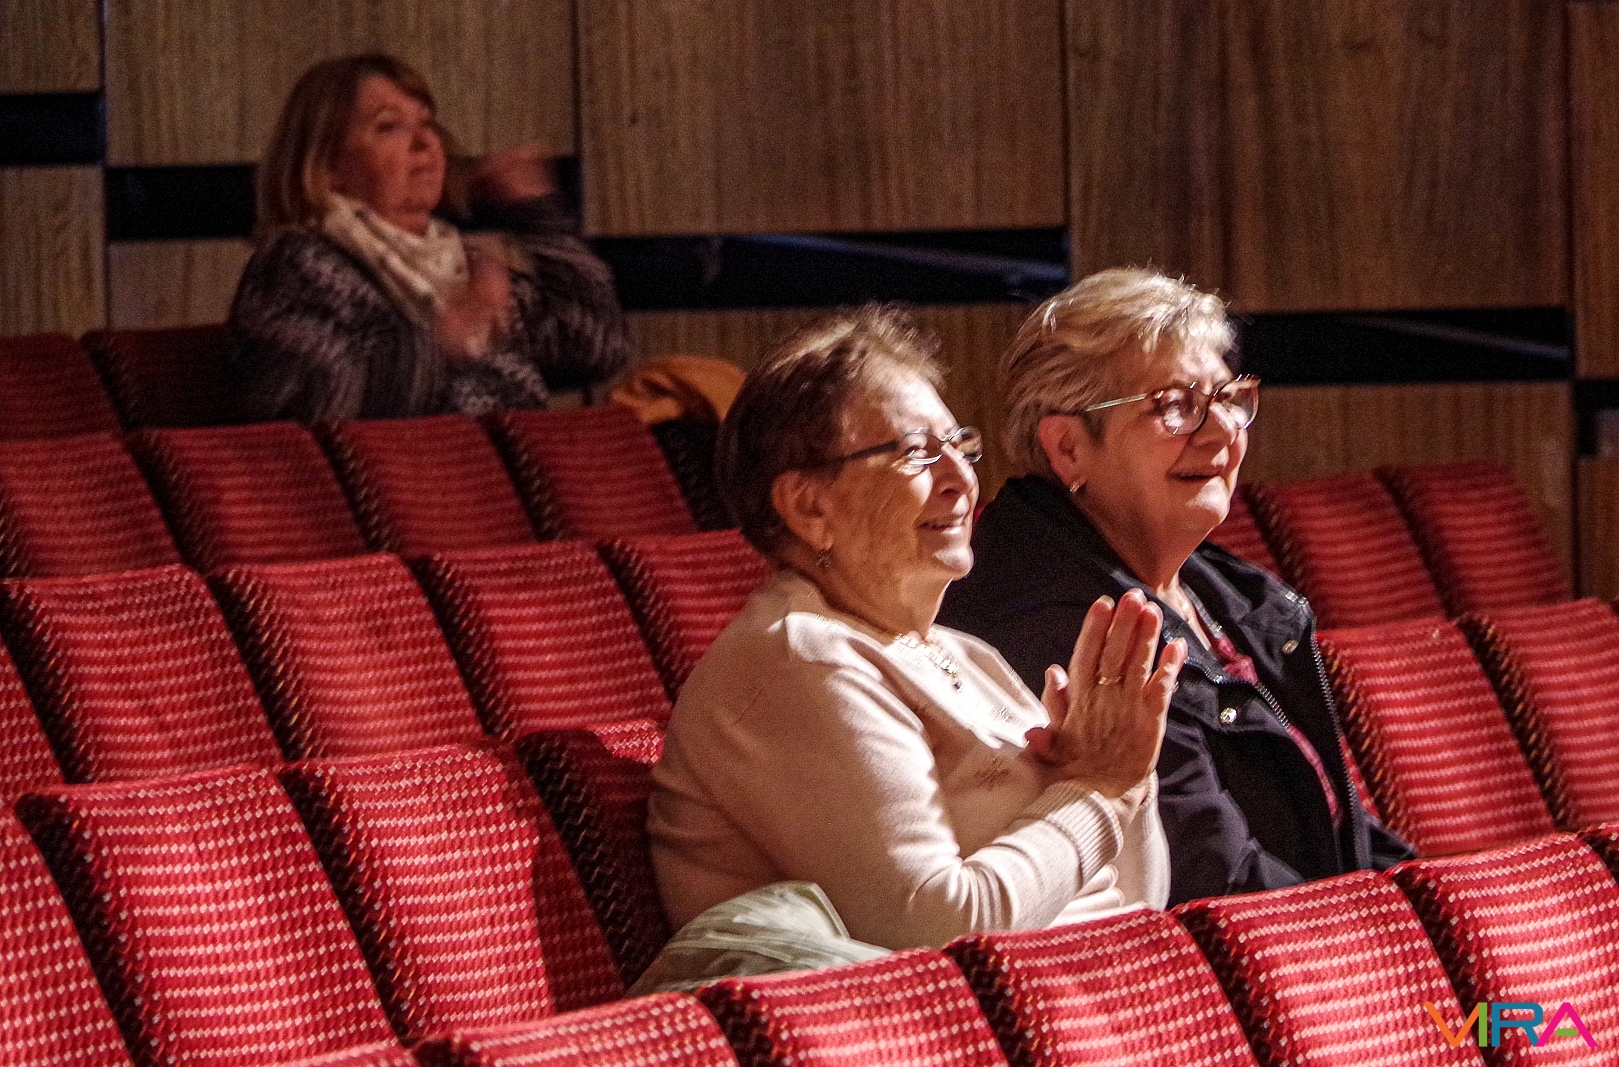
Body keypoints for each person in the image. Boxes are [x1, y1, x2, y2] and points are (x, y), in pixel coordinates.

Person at [647, 305, 1182, 951]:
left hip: (1080, 986)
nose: (961, 479)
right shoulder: (803, 659)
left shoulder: (967, 655)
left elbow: (1135, 900)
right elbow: (938, 927)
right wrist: (1096, 791)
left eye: (960, 446)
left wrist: (1127, 775)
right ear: (809, 507)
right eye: (917, 452)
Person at [938, 269, 1413, 906]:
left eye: (1228, 399)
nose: (1221, 432)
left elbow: (1341, 836)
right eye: (1174, 406)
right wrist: (1397, 935)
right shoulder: (1061, 621)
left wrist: (1435, 906)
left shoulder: (1231, 594)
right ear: (1069, 447)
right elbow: (1215, 882)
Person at [229, 54, 629, 421]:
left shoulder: (460, 266)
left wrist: (538, 213)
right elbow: (312, 399)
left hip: (506, 473)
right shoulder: (297, 265)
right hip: (397, 478)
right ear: (327, 165)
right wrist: (452, 335)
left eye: (426, 122)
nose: (424, 142)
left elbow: (596, 345)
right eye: (389, 126)